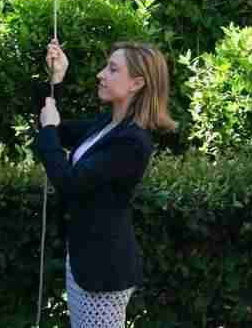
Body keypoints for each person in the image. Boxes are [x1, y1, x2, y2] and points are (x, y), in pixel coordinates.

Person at [35, 38, 176, 328]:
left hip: (103, 271)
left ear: (137, 84)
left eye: (112, 69)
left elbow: (70, 181)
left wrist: (49, 128)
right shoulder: (108, 124)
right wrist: (56, 81)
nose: (101, 74)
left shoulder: (133, 141)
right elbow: (56, 130)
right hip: (84, 261)